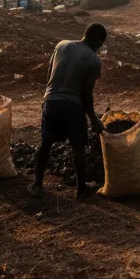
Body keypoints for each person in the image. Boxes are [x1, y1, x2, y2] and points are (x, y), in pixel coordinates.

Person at [30, 23, 107, 199]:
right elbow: (86, 93)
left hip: (51, 101)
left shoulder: (61, 45)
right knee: (78, 148)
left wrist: (49, 98)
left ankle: (37, 185)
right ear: (98, 40)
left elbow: (50, 73)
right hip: (73, 106)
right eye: (101, 44)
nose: (100, 48)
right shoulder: (94, 60)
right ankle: (81, 189)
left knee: (45, 144)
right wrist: (93, 119)